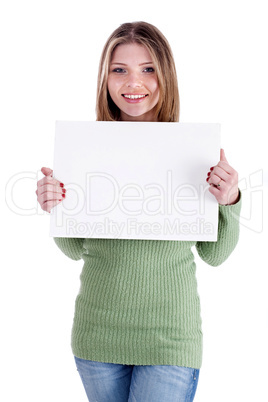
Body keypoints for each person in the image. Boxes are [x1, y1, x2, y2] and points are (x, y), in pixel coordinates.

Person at [36, 21, 241, 402]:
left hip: (170, 341)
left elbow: (216, 255)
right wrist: (56, 205)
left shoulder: (194, 151)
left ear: (165, 75)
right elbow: (73, 249)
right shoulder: (85, 150)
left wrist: (229, 200)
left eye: (148, 69)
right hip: (98, 337)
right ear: (106, 78)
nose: (134, 83)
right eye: (120, 70)